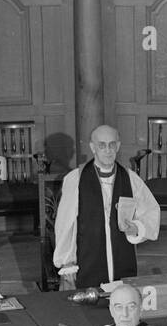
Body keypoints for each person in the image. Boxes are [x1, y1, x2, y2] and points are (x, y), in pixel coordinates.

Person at [52, 124, 161, 290]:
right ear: (92, 148)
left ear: (118, 146)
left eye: (112, 144)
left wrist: (138, 227)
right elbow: (65, 224)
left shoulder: (130, 179)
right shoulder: (76, 179)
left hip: (123, 258)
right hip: (87, 261)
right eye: (102, 145)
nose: (108, 150)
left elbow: (151, 211)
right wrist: (67, 262)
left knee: (123, 296)